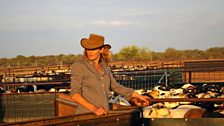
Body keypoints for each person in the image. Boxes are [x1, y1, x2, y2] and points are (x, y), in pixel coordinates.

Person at [70, 33, 150, 116]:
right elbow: (74, 94)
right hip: (86, 115)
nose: (89, 52)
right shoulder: (79, 66)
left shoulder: (105, 67)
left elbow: (116, 86)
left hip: (104, 113)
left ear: (101, 50)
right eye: (87, 49)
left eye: (93, 49)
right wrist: (94, 109)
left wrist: (139, 96)